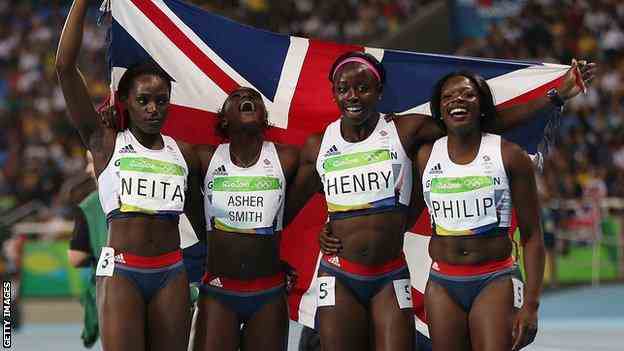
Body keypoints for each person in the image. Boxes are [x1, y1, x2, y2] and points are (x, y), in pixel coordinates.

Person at [286, 51, 593, 351]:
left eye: (363, 88)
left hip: (393, 275)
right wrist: (326, 229)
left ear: (379, 91)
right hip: (341, 272)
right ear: (333, 93)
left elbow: (475, 127)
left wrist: (554, 97)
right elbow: (283, 211)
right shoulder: (319, 145)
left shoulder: (405, 131)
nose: (352, 96)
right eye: (343, 89)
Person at [56, 1, 204, 350]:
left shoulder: (183, 153)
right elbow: (64, 66)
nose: (153, 109)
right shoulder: (104, 142)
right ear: (125, 100)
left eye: (161, 100)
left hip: (172, 272)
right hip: (121, 271)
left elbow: (203, 219)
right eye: (144, 100)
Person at [417, 71, 545, 351]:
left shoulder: (510, 155)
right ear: (439, 109)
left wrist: (531, 305)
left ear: (482, 105)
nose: (457, 100)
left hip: (495, 279)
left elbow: (533, 236)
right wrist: (334, 223)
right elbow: (400, 213)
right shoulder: (426, 156)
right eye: (448, 96)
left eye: (467, 94)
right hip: (442, 283)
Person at [192, 87, 299, 351]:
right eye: (237, 98)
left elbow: (326, 184)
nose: (247, 99)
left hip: (269, 293)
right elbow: (155, 148)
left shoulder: (287, 159)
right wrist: (117, 121)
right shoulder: (203, 158)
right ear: (224, 119)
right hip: (219, 290)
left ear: (264, 117)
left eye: (254, 98)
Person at [66, 151, 107, 348]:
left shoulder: (90, 204)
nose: (88, 170)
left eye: (91, 162)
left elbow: (74, 258)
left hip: (111, 291)